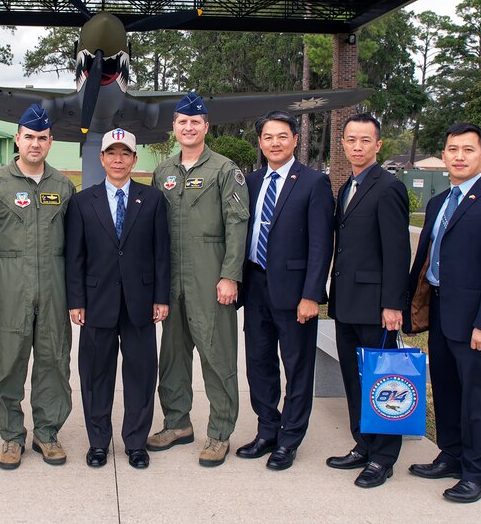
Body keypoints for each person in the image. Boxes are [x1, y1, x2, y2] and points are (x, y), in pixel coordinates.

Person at [406, 123, 481, 503]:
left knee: (478, 398)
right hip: (441, 311)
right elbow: (425, 260)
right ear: (443, 156)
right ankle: (453, 455)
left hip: (476, 321)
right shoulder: (439, 202)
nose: (459, 156)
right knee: (445, 388)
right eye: (452, 149)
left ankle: (478, 472)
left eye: (468, 150)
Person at [0, 103, 76, 469]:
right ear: (18, 139)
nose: (35, 144)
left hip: (54, 288)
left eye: (42, 138)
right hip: (9, 286)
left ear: (51, 142)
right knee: (8, 364)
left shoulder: (63, 186)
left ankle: (47, 433)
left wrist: (75, 294)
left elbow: (75, 246)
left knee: (54, 361)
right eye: (29, 137)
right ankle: (12, 437)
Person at [149, 92, 250, 467]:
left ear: (206, 126)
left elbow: (238, 224)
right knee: (173, 355)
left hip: (210, 275)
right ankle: (177, 423)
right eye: (181, 122)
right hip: (171, 280)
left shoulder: (225, 170)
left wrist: (229, 275)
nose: (188, 127)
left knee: (217, 354)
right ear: (173, 128)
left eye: (195, 122)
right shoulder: (164, 172)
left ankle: (220, 432)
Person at [66, 128, 170, 469]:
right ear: (102, 158)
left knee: (141, 374)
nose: (118, 160)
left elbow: (161, 254)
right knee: (96, 376)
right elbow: (75, 257)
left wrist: (161, 297)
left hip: (140, 302)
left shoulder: (153, 199)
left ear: (134, 159)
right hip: (97, 302)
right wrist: (76, 300)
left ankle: (136, 443)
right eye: (112, 153)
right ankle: (98, 442)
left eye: (125, 153)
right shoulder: (83, 201)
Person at [236, 110, 334, 471]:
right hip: (256, 285)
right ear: (260, 142)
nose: (274, 143)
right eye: (267, 137)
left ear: (295, 140)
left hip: (295, 293)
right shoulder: (251, 180)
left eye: (281, 136)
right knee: (259, 364)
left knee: (297, 367)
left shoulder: (313, 182)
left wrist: (312, 294)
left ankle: (290, 439)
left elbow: (322, 244)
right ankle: (267, 430)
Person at [326, 112, 410, 488]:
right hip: (345, 303)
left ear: (378, 145)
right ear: (343, 144)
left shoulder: (388, 187)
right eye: (351, 140)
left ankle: (384, 457)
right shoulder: (348, 186)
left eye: (365, 141)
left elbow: (397, 252)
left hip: (377, 306)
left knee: (383, 378)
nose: (357, 147)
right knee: (354, 379)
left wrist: (394, 304)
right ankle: (363, 443)